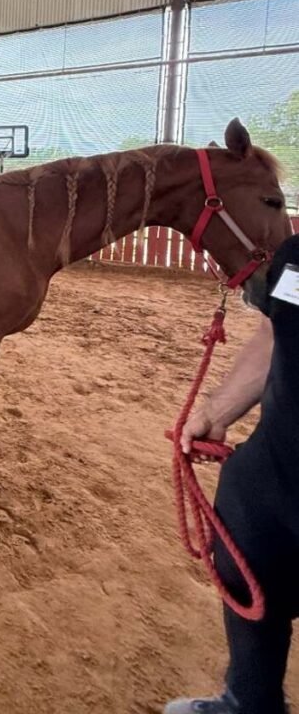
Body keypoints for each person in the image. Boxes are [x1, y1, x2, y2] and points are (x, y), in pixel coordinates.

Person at [164, 232, 299, 714]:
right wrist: (217, 412)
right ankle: (249, 701)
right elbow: (275, 333)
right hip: (276, 468)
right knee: (246, 566)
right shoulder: (298, 257)